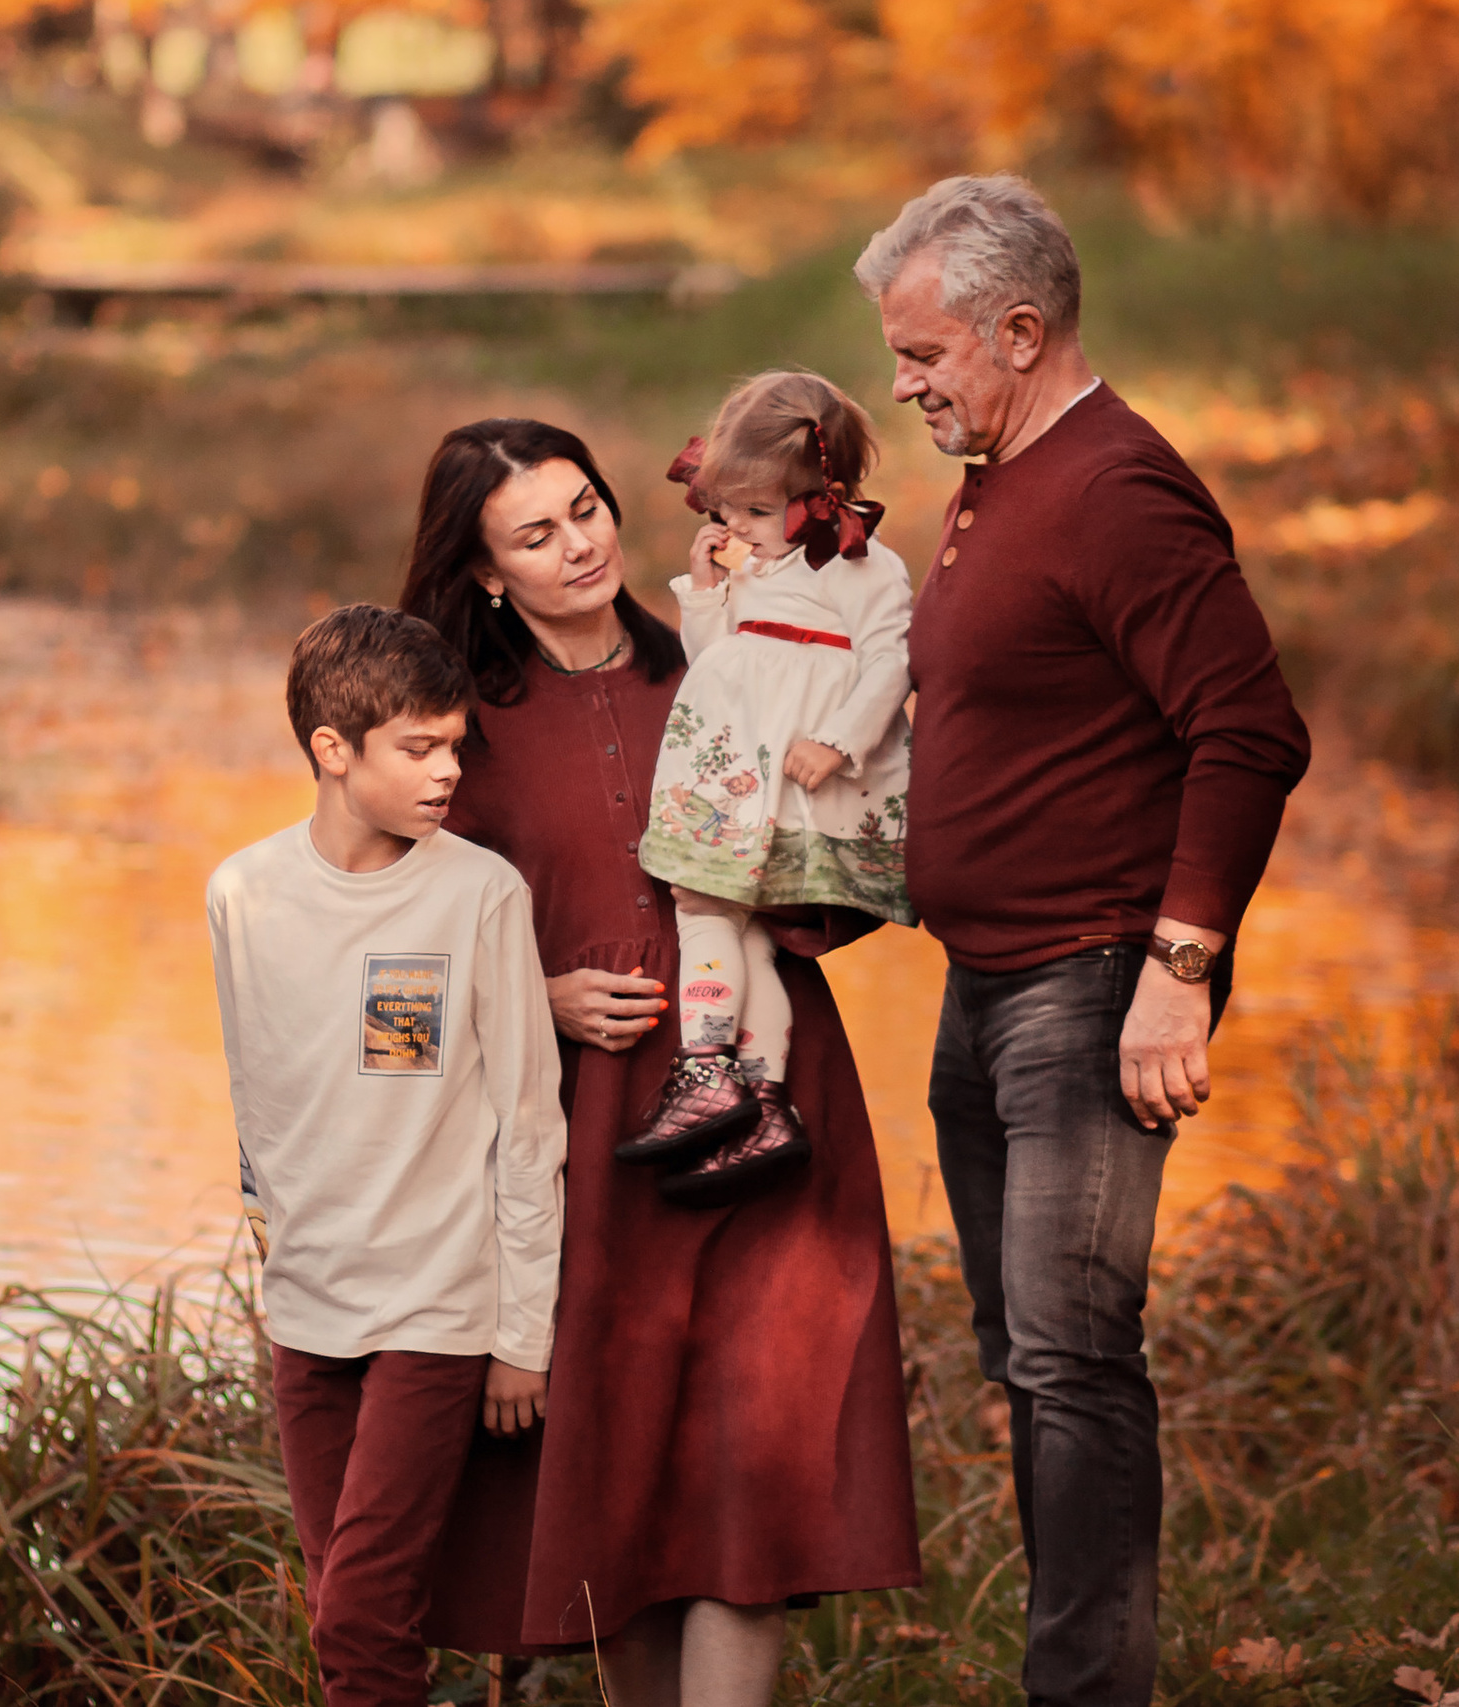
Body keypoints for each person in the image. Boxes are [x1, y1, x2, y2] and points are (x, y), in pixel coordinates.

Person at [853, 175, 1311, 1707]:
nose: (904, 384)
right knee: (1027, 1361)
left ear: (1022, 328)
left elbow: (1247, 729)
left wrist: (1179, 970)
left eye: (923, 356)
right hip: (986, 984)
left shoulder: (1117, 487)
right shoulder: (1002, 475)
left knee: (1073, 1363)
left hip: (1095, 980)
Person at [397, 419, 920, 1707]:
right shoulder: (453, 727)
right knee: (617, 1480)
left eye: (585, 509)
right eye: (535, 533)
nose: (577, 545)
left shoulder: (722, 649)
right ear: (481, 573)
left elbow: (840, 860)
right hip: (585, 1136)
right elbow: (390, 957)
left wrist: (807, 885)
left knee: (749, 1472)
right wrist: (536, 997)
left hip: (768, 1107)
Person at [206, 603, 568, 1707]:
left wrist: (521, 1335)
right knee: (346, 1614)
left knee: (362, 1618)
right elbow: (255, 1094)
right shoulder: (243, 893)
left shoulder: (478, 895)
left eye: (453, 744)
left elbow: (527, 1123)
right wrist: (278, 1242)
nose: (446, 770)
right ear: (333, 750)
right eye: (418, 747)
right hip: (307, 1309)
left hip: (435, 1310)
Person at [625, 370, 916, 1208]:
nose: (735, 528)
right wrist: (710, 592)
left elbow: (890, 663)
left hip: (795, 782)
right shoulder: (751, 566)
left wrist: (839, 741)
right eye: (728, 510)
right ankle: (762, 1097)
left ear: (823, 497)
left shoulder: (865, 571)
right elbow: (715, 658)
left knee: (706, 908)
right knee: (731, 925)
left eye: (755, 511)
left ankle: (708, 1067)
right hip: (734, 773)